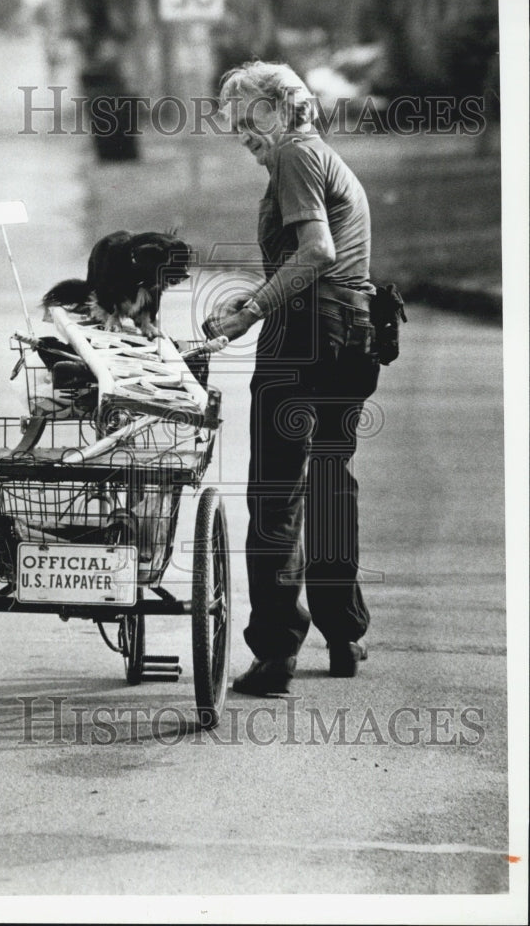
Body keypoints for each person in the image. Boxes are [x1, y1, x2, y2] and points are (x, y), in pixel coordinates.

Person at [202, 61, 381, 695]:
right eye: (235, 127)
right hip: (353, 331)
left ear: (283, 108)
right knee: (331, 482)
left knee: (276, 493)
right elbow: (322, 265)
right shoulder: (323, 157)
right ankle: (343, 634)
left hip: (304, 339)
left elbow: (317, 253)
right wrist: (256, 297)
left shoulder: (296, 156)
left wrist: (250, 312)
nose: (244, 135)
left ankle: (276, 654)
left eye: (250, 119)